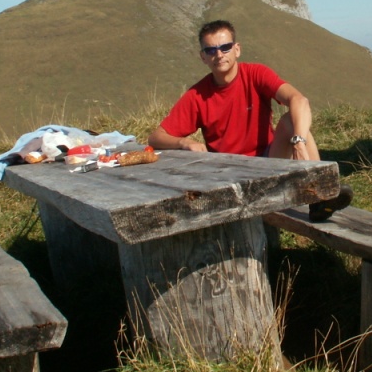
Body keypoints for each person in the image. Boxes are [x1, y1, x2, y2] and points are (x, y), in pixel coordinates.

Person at [148, 20, 351, 221]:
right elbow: (156, 137)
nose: (219, 54)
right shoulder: (197, 95)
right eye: (211, 50)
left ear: (237, 49)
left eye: (225, 47)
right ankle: (318, 195)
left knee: (292, 120)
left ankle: (320, 196)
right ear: (203, 57)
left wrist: (298, 142)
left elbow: (299, 100)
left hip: (269, 160)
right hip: (228, 174)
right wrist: (185, 142)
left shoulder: (256, 74)